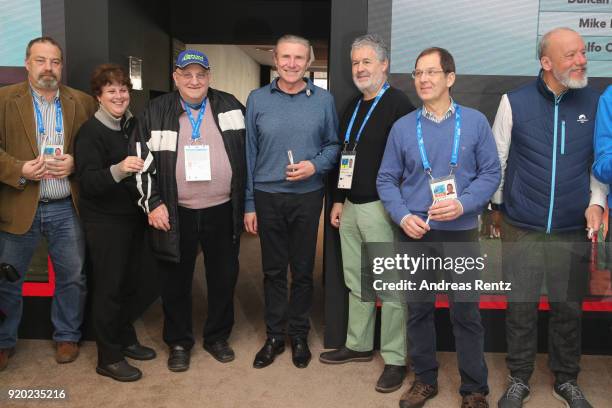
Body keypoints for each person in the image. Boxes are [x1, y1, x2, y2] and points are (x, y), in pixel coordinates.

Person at [377, 47, 500, 408]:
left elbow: (491, 172)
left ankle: (474, 389)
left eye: (431, 72)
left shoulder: (475, 122)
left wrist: (464, 203)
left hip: (460, 231)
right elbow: (386, 179)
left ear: (450, 78)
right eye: (418, 73)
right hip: (416, 233)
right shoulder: (402, 128)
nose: (424, 80)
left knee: (466, 312)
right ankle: (425, 380)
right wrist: (402, 215)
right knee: (418, 310)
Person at [492, 27, 606, 408]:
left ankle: (566, 380)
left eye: (583, 52)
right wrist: (497, 209)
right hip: (521, 224)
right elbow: (499, 160)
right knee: (520, 305)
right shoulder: (515, 101)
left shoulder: (595, 102)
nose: (582, 60)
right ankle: (519, 379)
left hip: (573, 226)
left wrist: (597, 201)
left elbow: (598, 164)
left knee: (567, 308)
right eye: (571, 55)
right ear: (546, 63)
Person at [131, 50, 246, 372]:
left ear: (209, 76)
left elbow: (250, 153)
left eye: (201, 74)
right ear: (176, 78)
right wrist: (152, 204)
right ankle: (179, 341)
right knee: (175, 281)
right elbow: (140, 164)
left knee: (223, 277)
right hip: (175, 210)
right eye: (187, 74)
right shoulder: (156, 111)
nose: (194, 81)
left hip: (222, 208)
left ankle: (217, 337)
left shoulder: (231, 105)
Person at [318, 34, 414, 393]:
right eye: (355, 63)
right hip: (351, 208)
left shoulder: (398, 104)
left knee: (389, 287)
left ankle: (394, 358)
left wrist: (398, 208)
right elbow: (346, 156)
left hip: (381, 208)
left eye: (366, 62)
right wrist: (339, 199)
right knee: (356, 281)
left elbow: (410, 163)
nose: (359, 68)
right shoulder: (353, 105)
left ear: (384, 65)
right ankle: (358, 345)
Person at [244, 34, 340, 369]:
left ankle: (298, 334)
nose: (291, 64)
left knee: (302, 270)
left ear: (309, 62)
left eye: (299, 58)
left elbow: (333, 145)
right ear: (275, 58)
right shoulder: (257, 98)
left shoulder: (323, 100)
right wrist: (249, 203)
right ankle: (274, 335)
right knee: (272, 271)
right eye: (285, 57)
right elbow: (249, 153)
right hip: (267, 196)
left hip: (307, 196)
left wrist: (315, 165)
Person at [0, 37, 96, 371]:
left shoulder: (81, 102)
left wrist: (76, 164)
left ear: (61, 65)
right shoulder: (3, 100)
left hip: (65, 206)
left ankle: (67, 335)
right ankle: (3, 341)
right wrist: (19, 169)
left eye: (54, 61)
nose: (48, 68)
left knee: (72, 277)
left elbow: (95, 149)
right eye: (41, 61)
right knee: (8, 280)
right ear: (27, 64)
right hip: (20, 203)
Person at [74, 64, 156, 382]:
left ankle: (124, 339)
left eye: (123, 89)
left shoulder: (132, 125)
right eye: (111, 91)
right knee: (109, 289)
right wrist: (119, 169)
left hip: (131, 217)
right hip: (105, 222)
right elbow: (89, 182)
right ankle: (108, 358)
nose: (119, 95)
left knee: (127, 284)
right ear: (99, 96)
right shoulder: (90, 132)